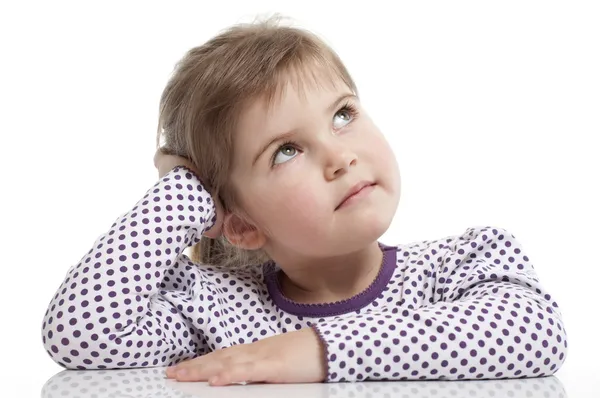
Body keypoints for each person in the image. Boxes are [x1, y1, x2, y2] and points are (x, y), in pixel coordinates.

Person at [41, 15, 568, 386]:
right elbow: (81, 334)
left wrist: (316, 349)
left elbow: (535, 332)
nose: (340, 157)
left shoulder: (463, 262)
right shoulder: (217, 309)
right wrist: (183, 190)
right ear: (242, 223)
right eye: (287, 151)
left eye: (343, 114)